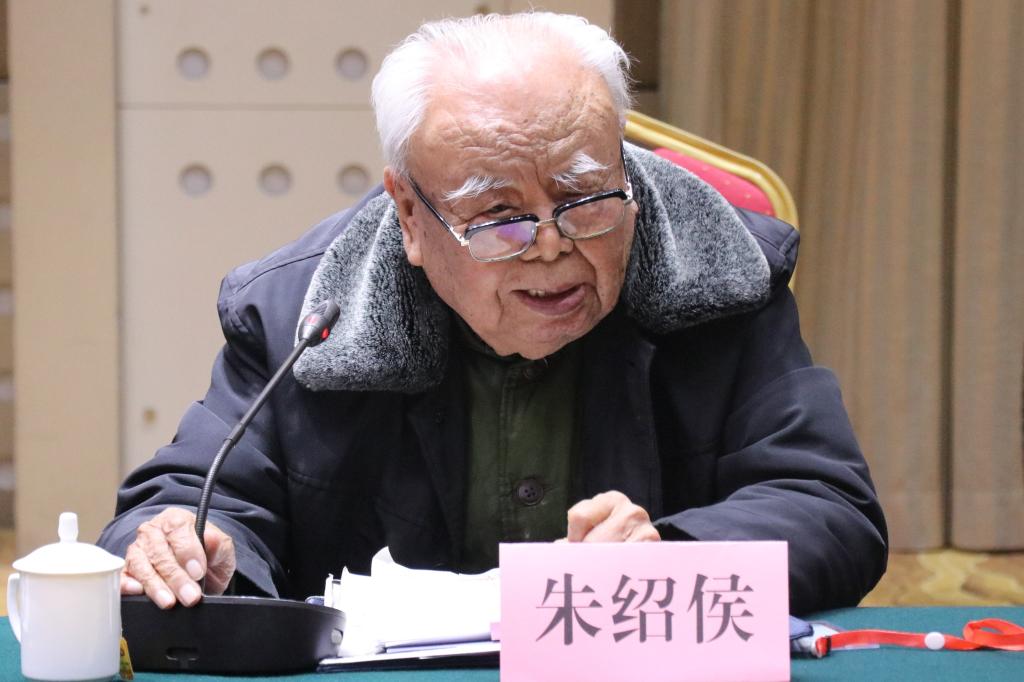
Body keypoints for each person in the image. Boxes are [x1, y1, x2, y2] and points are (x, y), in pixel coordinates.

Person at [98, 12, 887, 616]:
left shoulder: (718, 280)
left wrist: (668, 561)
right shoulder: (304, 315)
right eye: (499, 217)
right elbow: (192, 500)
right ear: (410, 215)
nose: (551, 246)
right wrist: (191, 549)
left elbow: (830, 511)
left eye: (585, 198)